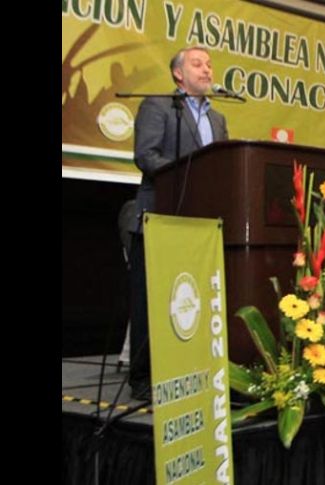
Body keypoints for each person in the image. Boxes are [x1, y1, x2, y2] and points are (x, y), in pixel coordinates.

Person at [129, 46, 229, 400]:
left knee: (190, 300)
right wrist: (191, 174)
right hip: (160, 213)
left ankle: (187, 370)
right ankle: (142, 377)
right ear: (178, 74)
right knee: (152, 300)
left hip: (200, 222)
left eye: (209, 64)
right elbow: (147, 155)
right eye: (197, 64)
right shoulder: (158, 106)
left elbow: (222, 165)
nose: (206, 69)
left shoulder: (218, 119)